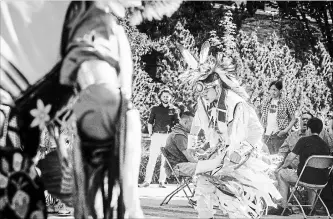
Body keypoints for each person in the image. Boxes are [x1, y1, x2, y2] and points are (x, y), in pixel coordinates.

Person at [178, 41, 282, 218]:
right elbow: (196, 124)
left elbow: (255, 132)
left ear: (217, 86)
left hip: (240, 154)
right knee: (203, 187)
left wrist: (239, 152)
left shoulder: (235, 104)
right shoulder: (205, 101)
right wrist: (193, 145)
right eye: (201, 93)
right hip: (221, 152)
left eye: (205, 92)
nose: (203, 96)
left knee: (231, 200)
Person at [272, 117, 331, 215]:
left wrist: (283, 166)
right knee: (314, 174)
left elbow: (290, 157)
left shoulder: (303, 140)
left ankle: (283, 207)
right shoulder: (325, 145)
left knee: (281, 173)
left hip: (303, 178)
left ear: (308, 129)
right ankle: (310, 208)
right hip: (322, 181)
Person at [139, 88, 179, 188]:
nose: (166, 97)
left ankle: (162, 181)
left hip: (167, 136)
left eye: (167, 96)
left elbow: (177, 124)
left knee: (164, 160)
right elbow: (150, 122)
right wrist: (150, 134)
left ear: (170, 97)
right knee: (152, 159)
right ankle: (147, 181)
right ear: (160, 97)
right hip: (156, 135)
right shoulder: (155, 108)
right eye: (164, 96)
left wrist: (173, 136)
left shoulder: (174, 109)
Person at [261, 81, 297, 154]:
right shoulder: (266, 101)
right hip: (267, 135)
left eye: (275, 90)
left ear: (280, 91)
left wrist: (285, 131)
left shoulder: (287, 101)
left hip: (279, 135)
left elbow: (293, 119)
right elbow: (263, 118)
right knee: (267, 158)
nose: (272, 92)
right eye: (271, 89)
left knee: (278, 159)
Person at [164, 111, 198, 177]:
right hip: (176, 168)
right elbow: (190, 158)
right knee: (205, 168)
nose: (194, 126)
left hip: (178, 166)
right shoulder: (179, 135)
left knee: (205, 166)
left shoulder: (178, 132)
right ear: (185, 122)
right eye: (193, 123)